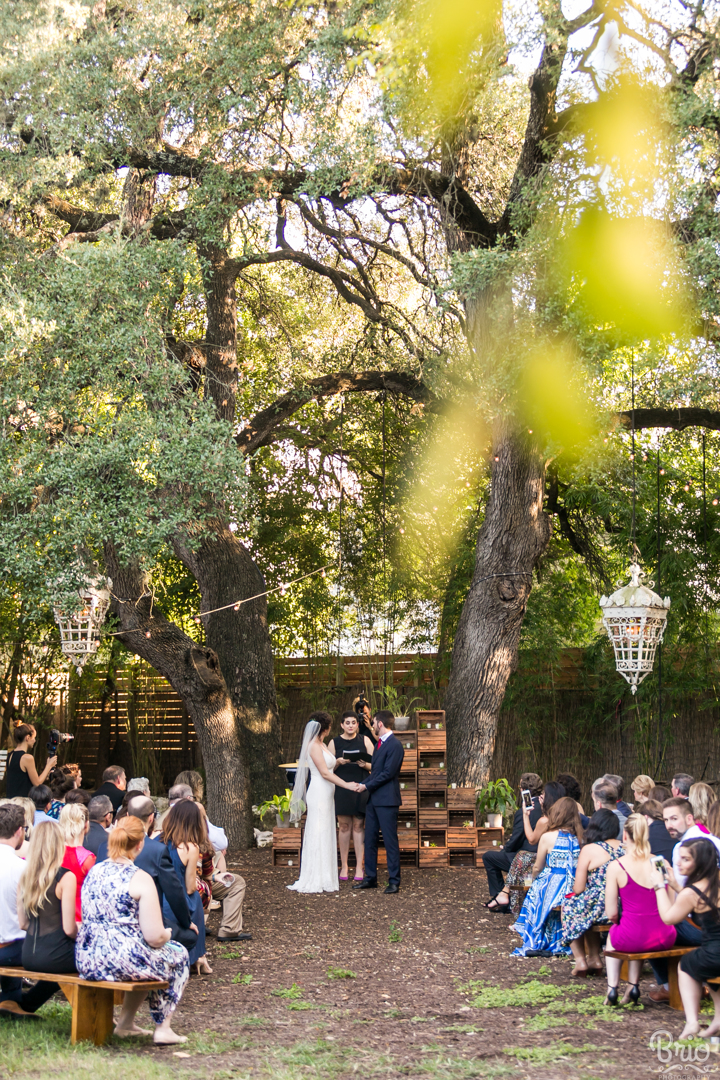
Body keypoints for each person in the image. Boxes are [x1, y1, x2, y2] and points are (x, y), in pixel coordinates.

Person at [76, 816, 190, 1044]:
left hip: (88, 957)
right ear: (140, 844)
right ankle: (163, 1028)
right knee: (178, 954)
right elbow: (155, 937)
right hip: (121, 958)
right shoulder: (140, 878)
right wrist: (168, 934)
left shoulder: (95, 871)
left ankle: (126, 1023)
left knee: (145, 958)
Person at [96, 795, 199, 952]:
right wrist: (186, 922)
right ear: (152, 818)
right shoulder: (156, 850)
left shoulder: (104, 847)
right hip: (143, 923)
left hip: (104, 926)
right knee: (190, 936)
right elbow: (173, 890)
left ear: (128, 815)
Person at [650, 837, 720, 1040]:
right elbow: (703, 902)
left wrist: (658, 887)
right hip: (714, 952)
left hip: (714, 953)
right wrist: (675, 885)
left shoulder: (692, 892)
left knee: (686, 965)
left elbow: (668, 918)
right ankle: (717, 1019)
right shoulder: (712, 884)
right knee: (706, 965)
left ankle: (691, 1023)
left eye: (685, 859)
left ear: (700, 862)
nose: (678, 863)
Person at [603, 814, 676, 1006]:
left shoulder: (616, 867)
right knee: (637, 930)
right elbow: (670, 902)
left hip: (633, 935)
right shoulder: (660, 863)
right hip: (663, 935)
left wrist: (619, 920)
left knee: (615, 934)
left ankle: (612, 989)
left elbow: (611, 913)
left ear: (625, 836)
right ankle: (632, 986)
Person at [288, 712, 360, 894]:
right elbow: (324, 773)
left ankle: (327, 875)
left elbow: (329, 766)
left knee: (327, 831)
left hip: (328, 793)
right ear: (326, 729)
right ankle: (315, 876)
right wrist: (347, 785)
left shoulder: (322, 744)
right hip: (319, 792)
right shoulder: (313, 746)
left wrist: (337, 761)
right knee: (318, 831)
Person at [0, 804, 59, 1017]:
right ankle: (17, 1002)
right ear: (19, 831)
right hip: (10, 949)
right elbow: (30, 917)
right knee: (52, 951)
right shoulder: (22, 868)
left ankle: (10, 1000)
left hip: (9, 946)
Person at [511, 797, 583, 957]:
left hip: (554, 882)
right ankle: (559, 939)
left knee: (535, 891)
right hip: (575, 884)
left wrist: (533, 879)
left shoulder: (548, 837)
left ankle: (532, 932)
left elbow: (537, 867)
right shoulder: (580, 838)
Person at [561, 809, 624, 975]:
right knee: (587, 912)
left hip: (601, 904)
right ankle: (595, 959)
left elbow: (579, 888)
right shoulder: (625, 848)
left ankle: (581, 960)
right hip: (623, 902)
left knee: (570, 905)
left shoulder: (590, 849)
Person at [354, 710, 405, 895]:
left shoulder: (395, 745)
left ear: (381, 724)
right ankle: (370, 878)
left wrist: (365, 787)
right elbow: (375, 773)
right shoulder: (379, 744)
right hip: (373, 800)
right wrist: (362, 784)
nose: (372, 725)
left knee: (390, 841)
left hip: (387, 801)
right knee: (370, 840)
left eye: (374, 722)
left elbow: (387, 774)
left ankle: (394, 881)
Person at [19, 821, 78, 974]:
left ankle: (26, 1000)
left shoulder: (25, 876)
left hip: (28, 954)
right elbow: (69, 929)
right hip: (58, 955)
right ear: (59, 845)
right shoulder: (66, 877)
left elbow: (23, 924)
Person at [160, 799, 213, 973]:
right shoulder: (191, 847)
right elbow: (190, 887)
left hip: (158, 899)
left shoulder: (157, 840)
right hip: (178, 902)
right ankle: (197, 956)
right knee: (195, 897)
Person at [482, 772, 543, 913]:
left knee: (489, 857)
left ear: (523, 790)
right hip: (542, 857)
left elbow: (516, 838)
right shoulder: (546, 806)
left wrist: (505, 849)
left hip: (526, 859)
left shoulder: (525, 810)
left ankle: (501, 896)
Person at [331, 712, 375, 882]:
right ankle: (344, 866)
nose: (350, 725)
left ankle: (359, 866)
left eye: (354, 723)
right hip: (341, 787)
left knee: (358, 826)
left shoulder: (365, 740)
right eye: (347, 723)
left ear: (358, 725)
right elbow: (326, 769)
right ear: (341, 725)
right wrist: (337, 762)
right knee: (343, 826)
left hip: (360, 786)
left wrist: (366, 765)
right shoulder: (334, 742)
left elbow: (376, 764)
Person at [664, 798, 720, 888]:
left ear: (689, 819)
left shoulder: (681, 849)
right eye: (666, 820)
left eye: (674, 819)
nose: (669, 825)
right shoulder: (715, 840)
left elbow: (681, 887)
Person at [173, 771, 228, 854]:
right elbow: (221, 842)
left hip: (175, 851)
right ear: (195, 789)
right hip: (192, 853)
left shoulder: (172, 806)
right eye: (200, 785)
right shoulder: (196, 807)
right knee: (219, 853)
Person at [59, 803, 95, 922]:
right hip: (78, 917)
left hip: (55, 915)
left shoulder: (53, 852)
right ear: (86, 824)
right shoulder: (87, 858)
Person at [5, 722, 56, 800]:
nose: (35, 741)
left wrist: (46, 774)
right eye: (34, 737)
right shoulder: (27, 758)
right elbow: (37, 783)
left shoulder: (10, 755)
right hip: (22, 804)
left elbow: (21, 779)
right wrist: (49, 765)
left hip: (11, 801)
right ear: (27, 738)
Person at [522, 781, 566, 847]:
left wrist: (525, 815)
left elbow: (532, 840)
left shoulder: (544, 821)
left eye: (543, 794)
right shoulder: (565, 815)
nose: (540, 796)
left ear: (548, 798)